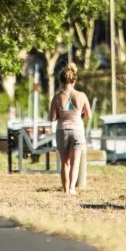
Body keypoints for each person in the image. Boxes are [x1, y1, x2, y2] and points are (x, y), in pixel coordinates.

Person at [50, 63, 91, 195]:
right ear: (74, 80)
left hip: (62, 131)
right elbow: (88, 116)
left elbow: (52, 118)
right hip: (77, 131)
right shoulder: (81, 95)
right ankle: (72, 189)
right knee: (75, 163)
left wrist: (62, 114)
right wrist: (79, 114)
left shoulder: (57, 97)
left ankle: (65, 189)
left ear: (61, 81)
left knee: (65, 163)